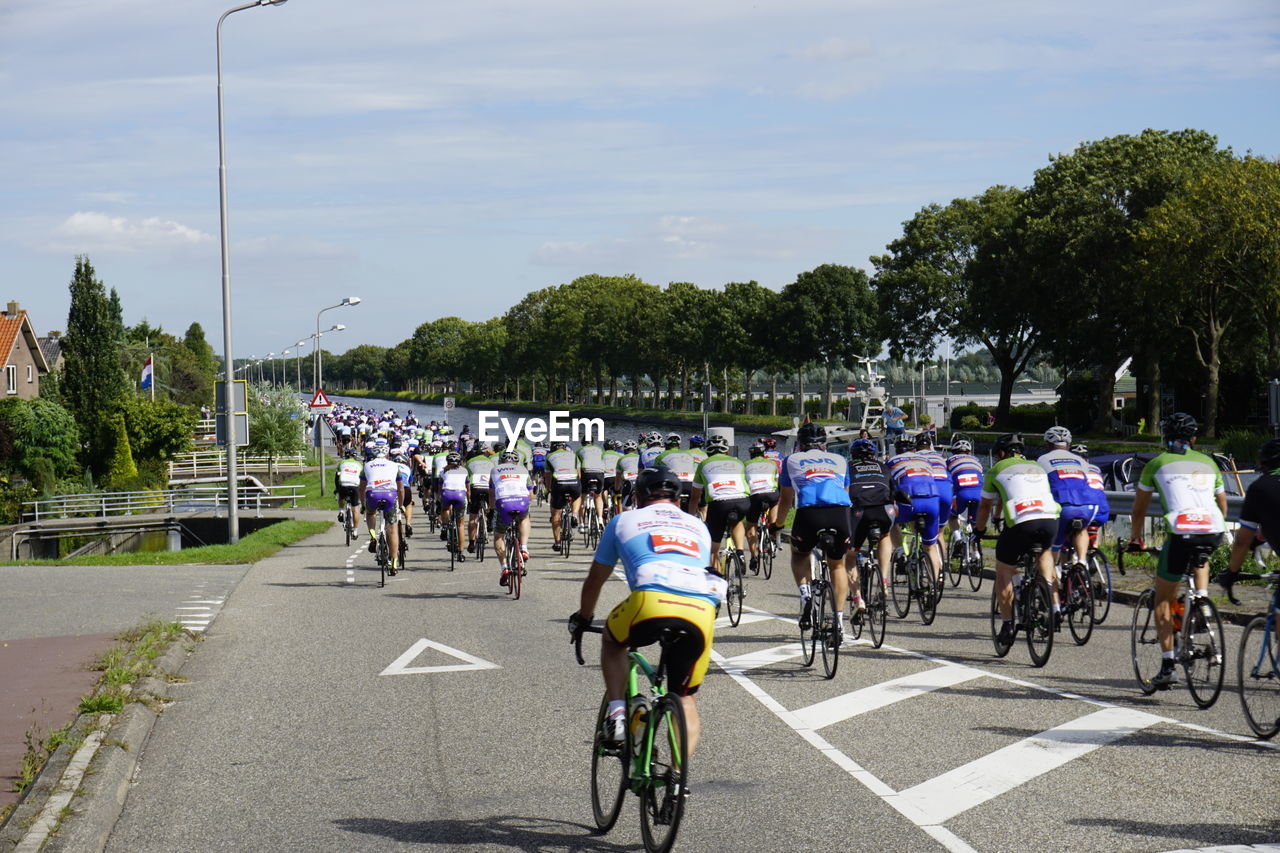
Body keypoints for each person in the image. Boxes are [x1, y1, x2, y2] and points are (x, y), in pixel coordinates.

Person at [569, 466, 726, 760]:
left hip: (651, 600)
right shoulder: (698, 526)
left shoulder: (623, 520)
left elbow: (595, 581)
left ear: (638, 498)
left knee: (613, 642)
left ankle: (617, 717)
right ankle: (678, 783)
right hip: (702, 609)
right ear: (678, 501)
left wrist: (584, 618)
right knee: (686, 698)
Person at [1127, 413, 1227, 688]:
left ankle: (1168, 665)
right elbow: (1223, 504)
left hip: (1181, 532)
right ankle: (1203, 602)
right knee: (1201, 555)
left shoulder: (1156, 463)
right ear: (1194, 439)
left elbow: (1138, 509)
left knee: (1162, 599)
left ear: (1164, 438)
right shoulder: (1209, 462)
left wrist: (1136, 538)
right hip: (1214, 530)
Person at [974, 433, 1061, 649]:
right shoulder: (1037, 466)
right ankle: (1049, 594)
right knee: (1045, 552)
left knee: (1003, 570)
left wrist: (979, 530)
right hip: (1050, 519)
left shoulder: (996, 469)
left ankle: (1008, 624)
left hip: (1023, 521)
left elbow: (985, 506)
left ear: (1001, 453)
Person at [773, 421, 853, 642]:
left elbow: (786, 501)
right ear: (824, 444)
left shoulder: (790, 460)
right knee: (837, 564)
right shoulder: (840, 460)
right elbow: (846, 494)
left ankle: (806, 594)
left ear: (800, 443)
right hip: (839, 514)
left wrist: (777, 526)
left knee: (799, 554)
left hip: (809, 514)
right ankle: (838, 621)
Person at [1037, 426, 1097, 567]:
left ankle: (1053, 576)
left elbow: (1039, 486)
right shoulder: (1080, 460)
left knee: (1052, 547)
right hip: (1087, 506)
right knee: (1081, 530)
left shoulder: (1043, 459)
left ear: (1048, 444)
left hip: (1063, 507)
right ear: (1068, 444)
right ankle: (1082, 563)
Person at [847, 437, 895, 611]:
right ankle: (883, 580)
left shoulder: (848, 467)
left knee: (850, 557)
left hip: (860, 512)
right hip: (883, 511)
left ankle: (858, 598)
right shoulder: (883, 467)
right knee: (885, 536)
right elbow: (893, 491)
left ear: (853, 455)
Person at [690, 435, 751, 568]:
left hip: (719, 503)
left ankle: (716, 578)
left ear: (708, 452)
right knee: (738, 521)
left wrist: (690, 516)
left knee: (714, 548)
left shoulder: (703, 464)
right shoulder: (738, 462)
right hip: (743, 501)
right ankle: (740, 552)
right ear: (726, 451)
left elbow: (695, 496)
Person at [360, 445, 407, 573]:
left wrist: (363, 505)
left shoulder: (367, 465)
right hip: (390, 495)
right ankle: (394, 562)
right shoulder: (394, 465)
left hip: (372, 494)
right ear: (387, 454)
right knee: (392, 528)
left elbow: (362, 488)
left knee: (370, 513)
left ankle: (373, 536)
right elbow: (401, 488)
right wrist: (401, 504)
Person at [490, 449, 533, 586]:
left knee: (499, 536)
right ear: (517, 461)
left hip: (503, 503)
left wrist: (491, 510)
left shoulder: (495, 469)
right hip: (521, 501)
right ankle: (524, 547)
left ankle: (504, 568)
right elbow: (530, 494)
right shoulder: (523, 470)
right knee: (524, 518)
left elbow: (491, 493)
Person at [744, 443, 780, 571]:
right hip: (771, 494)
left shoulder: (746, 465)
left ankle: (754, 556)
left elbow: (744, 485)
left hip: (755, 496)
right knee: (775, 503)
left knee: (750, 526)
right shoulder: (772, 464)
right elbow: (776, 482)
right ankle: (772, 533)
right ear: (763, 454)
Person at [545, 441, 582, 552]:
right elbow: (579, 474)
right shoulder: (574, 455)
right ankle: (575, 515)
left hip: (559, 483)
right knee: (577, 496)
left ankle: (557, 542)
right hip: (573, 482)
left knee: (556, 514)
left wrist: (548, 489)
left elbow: (547, 476)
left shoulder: (549, 456)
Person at [438, 451, 470, 560]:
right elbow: (468, 488)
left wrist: (439, 501)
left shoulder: (443, 472)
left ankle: (445, 525)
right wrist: (469, 500)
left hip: (447, 494)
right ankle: (461, 552)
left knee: (445, 508)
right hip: (461, 495)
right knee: (460, 525)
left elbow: (439, 489)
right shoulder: (464, 471)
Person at [465, 446, 496, 554]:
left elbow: (467, 480)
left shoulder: (469, 462)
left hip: (476, 487)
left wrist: (468, 498)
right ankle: (491, 520)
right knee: (492, 503)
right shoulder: (491, 462)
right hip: (488, 486)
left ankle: (471, 543)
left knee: (473, 517)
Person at [334, 448, 364, 536]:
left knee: (341, 497)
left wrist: (337, 489)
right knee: (355, 509)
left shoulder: (341, 463)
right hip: (354, 485)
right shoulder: (359, 464)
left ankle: (341, 511)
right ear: (355, 456)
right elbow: (361, 479)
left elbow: (337, 477)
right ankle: (355, 531)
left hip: (344, 483)